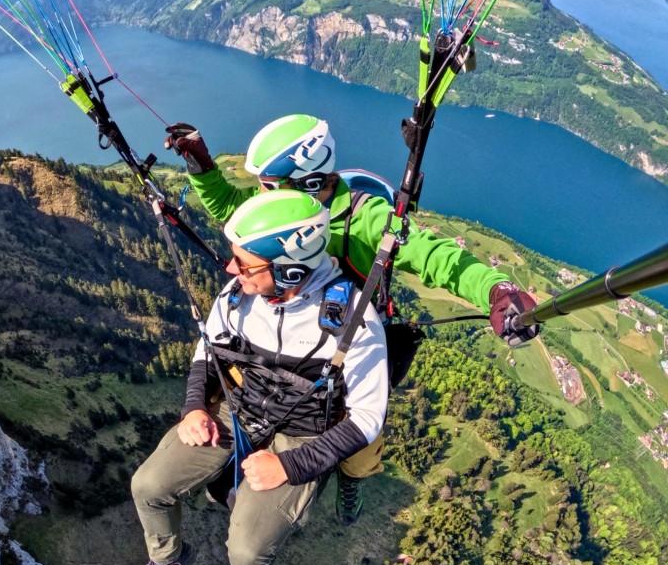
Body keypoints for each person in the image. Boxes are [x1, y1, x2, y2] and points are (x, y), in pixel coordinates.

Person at [164, 114, 538, 525]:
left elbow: (434, 256)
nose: (262, 196)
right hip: (284, 337)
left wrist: (495, 290)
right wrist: (201, 166)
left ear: (308, 182)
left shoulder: (366, 221)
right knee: (234, 389)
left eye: (269, 186)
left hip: (348, 345)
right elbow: (231, 207)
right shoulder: (282, 213)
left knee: (359, 437)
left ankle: (352, 480)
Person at [126, 189, 389, 565]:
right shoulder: (238, 296)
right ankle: (167, 556)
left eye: (245, 264)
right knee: (148, 486)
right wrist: (194, 408)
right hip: (240, 410)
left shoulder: (354, 323)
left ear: (289, 270)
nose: (231, 270)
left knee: (247, 552)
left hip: (303, 437)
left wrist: (290, 465)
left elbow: (366, 419)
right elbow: (207, 352)